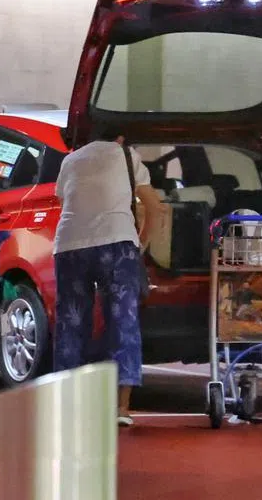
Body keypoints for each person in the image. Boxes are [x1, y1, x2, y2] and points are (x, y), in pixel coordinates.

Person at [51, 130, 162, 427]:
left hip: (69, 246)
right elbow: (154, 207)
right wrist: (141, 244)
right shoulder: (126, 155)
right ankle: (121, 409)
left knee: (71, 324)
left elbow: (66, 200)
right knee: (122, 322)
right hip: (116, 244)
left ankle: (67, 405)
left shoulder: (70, 160)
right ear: (121, 137)